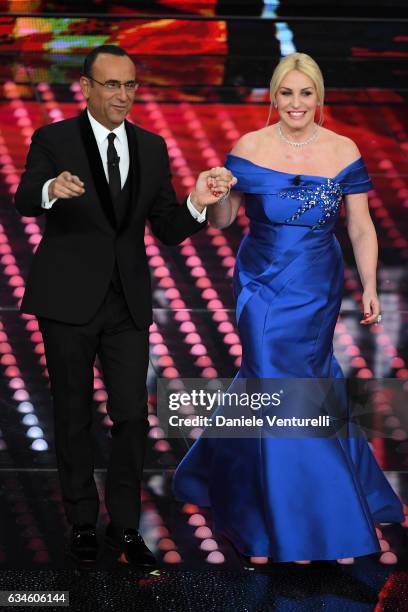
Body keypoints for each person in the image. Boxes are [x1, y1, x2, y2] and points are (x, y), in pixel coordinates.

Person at [173, 52, 404, 566]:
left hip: (318, 282)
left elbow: (361, 226)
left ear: (318, 98)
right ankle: (292, 520)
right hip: (260, 282)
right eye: (286, 93)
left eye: (305, 93)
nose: (296, 103)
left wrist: (368, 285)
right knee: (275, 379)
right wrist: (214, 194)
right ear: (273, 97)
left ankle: (252, 482)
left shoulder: (344, 149)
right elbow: (224, 221)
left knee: (307, 380)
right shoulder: (249, 147)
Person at [14, 44, 235, 567]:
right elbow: (25, 198)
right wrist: (50, 188)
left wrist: (197, 203)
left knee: (132, 417)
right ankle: (83, 524)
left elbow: (167, 227)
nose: (122, 94)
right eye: (111, 84)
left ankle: (126, 526)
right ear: (86, 88)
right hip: (67, 299)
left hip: (127, 304)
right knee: (72, 415)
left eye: (130, 85)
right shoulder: (53, 139)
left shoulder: (153, 147)